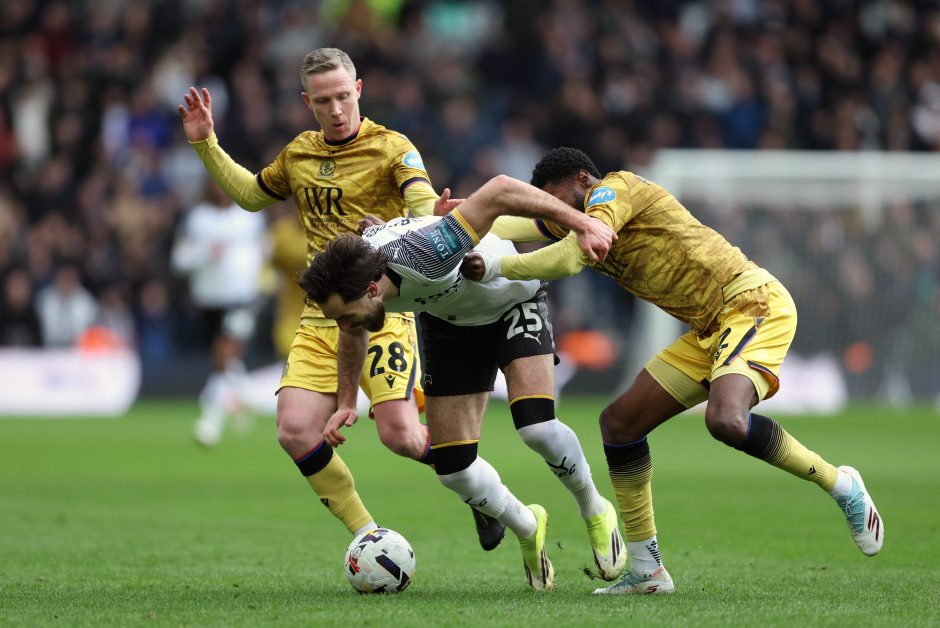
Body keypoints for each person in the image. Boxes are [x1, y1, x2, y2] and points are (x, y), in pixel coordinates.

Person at [461, 147, 885, 595]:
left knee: (725, 420)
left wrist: (498, 266)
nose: (559, 214)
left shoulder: (613, 190)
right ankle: (648, 570)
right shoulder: (574, 214)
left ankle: (841, 484)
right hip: (708, 329)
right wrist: (455, 219)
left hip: (751, 304)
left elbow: (571, 257)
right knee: (620, 424)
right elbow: (510, 223)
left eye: (560, 201)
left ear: (584, 179)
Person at [177, 47, 497, 545]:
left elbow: (420, 200)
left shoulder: (392, 147)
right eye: (324, 100)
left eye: (344, 96)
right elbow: (251, 196)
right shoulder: (299, 154)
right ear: (307, 102)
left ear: (359, 90)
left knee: (400, 436)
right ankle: (369, 538)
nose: (336, 109)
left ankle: (480, 492)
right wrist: (206, 145)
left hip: (381, 309)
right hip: (320, 318)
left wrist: (431, 214)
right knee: (294, 431)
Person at [300, 174, 619, 590]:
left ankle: (594, 508)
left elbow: (500, 189)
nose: (344, 325)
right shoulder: (361, 287)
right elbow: (353, 329)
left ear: (373, 289)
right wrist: (346, 400)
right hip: (450, 325)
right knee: (454, 470)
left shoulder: (425, 255)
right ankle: (528, 526)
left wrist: (583, 223)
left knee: (537, 427)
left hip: (511, 300)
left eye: (344, 315)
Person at [171, 179, 267, 446]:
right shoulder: (197, 219)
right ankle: (246, 396)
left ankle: (210, 421)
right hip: (209, 299)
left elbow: (264, 251)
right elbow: (178, 260)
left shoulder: (250, 217)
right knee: (222, 361)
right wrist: (204, 253)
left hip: (243, 298)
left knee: (225, 351)